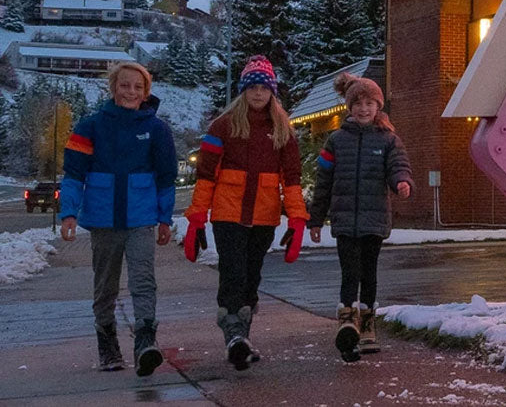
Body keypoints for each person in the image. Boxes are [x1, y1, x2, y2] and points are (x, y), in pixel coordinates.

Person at [182, 55, 307, 370]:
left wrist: (297, 220)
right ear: (243, 90)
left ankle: (242, 339)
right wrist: (196, 220)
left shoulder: (283, 130)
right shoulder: (223, 126)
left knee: (251, 279)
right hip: (228, 215)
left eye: (264, 88)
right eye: (252, 87)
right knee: (233, 275)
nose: (258, 94)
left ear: (272, 92)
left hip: (263, 217)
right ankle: (234, 336)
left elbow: (292, 180)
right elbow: (206, 177)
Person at [59, 61, 176, 375]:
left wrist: (165, 219)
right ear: (113, 88)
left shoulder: (157, 130)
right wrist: (68, 212)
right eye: (125, 85)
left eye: (138, 87)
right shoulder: (90, 126)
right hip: (103, 219)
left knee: (143, 280)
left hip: (141, 219)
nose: (131, 92)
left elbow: (166, 178)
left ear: (146, 92)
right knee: (106, 284)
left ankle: (145, 342)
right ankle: (107, 343)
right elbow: (73, 174)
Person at [307, 72, 412, 362]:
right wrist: (315, 219)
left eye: (369, 103)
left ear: (378, 106)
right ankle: (346, 321)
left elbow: (398, 166)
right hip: (343, 220)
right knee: (349, 272)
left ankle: (367, 324)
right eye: (358, 103)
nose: (363, 109)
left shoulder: (389, 140)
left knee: (369, 272)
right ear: (349, 107)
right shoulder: (336, 141)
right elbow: (323, 182)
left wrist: (402, 182)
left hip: (374, 219)